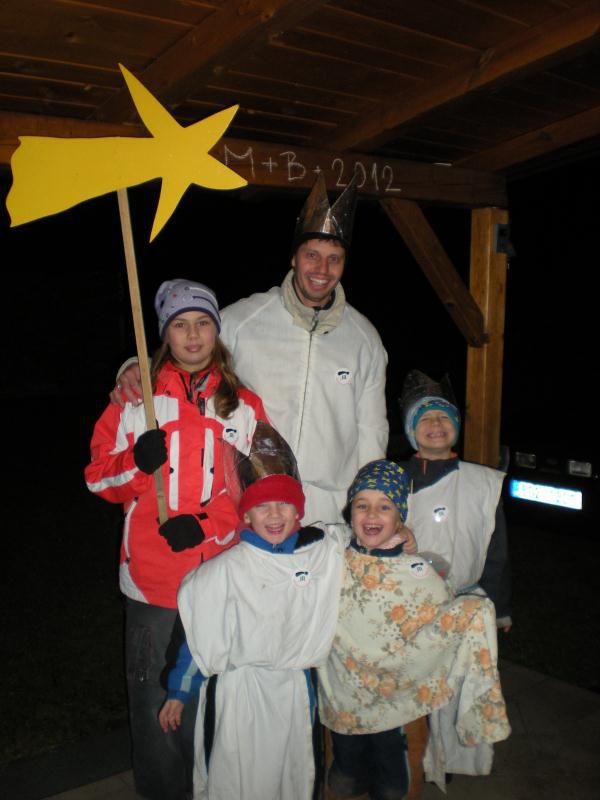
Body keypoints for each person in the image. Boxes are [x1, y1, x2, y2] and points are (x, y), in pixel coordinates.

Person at [113, 173, 389, 524]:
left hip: (331, 506)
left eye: (334, 258)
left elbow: (372, 429)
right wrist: (133, 366)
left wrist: (372, 504)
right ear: (294, 258)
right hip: (256, 501)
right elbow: (187, 350)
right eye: (312, 255)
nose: (322, 269)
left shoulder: (364, 339)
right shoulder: (243, 320)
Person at [84, 279, 268, 800]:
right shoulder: (135, 399)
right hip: (152, 581)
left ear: (217, 331)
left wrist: (207, 524)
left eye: (203, 323)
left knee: (215, 697)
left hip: (219, 574)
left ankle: (215, 788)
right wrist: (136, 464)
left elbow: (258, 491)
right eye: (180, 325)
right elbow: (98, 479)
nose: (192, 335)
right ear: (165, 333)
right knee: (154, 700)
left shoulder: (243, 405)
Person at [317, 460, 511, 798]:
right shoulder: (333, 559)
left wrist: (472, 613)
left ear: (400, 519)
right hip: (344, 697)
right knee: (346, 777)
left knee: (394, 783)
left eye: (384, 506)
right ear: (350, 513)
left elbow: (440, 621)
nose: (372, 514)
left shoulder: (416, 570)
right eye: (362, 505)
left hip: (396, 702)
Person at [165, 473, 347, 800]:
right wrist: (179, 691)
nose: (274, 515)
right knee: (238, 775)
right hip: (240, 692)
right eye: (262, 506)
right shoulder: (225, 571)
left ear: (298, 511)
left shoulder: (319, 554)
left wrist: (399, 535)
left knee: (294, 773)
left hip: (294, 689)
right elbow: (199, 635)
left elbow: (359, 536)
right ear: (246, 515)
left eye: (284, 504)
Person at [399, 370, 511, 629]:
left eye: (443, 417)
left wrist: (499, 607)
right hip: (407, 597)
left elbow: (496, 551)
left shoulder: (483, 482)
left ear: (457, 425)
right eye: (424, 418)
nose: (436, 424)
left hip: (466, 601)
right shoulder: (394, 478)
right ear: (411, 430)